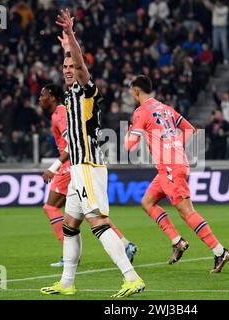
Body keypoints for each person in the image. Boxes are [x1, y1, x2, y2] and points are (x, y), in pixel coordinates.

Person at [40, 9, 144, 298]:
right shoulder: (70, 96)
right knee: (70, 226)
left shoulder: (87, 91)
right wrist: (66, 49)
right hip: (76, 169)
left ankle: (131, 277)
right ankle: (67, 282)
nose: (67, 69)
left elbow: (83, 65)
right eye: (64, 65)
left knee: (97, 223)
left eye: (71, 65)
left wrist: (71, 36)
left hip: (88, 164)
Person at [124, 75, 229, 273]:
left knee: (186, 211)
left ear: (136, 91)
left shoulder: (140, 112)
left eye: (131, 91)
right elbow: (190, 130)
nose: (131, 94)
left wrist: (128, 133)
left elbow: (130, 146)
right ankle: (177, 241)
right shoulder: (165, 108)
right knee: (147, 202)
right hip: (174, 164)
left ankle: (219, 251)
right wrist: (173, 145)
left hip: (170, 167)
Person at [39, 83, 138, 267]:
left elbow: (72, 143)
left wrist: (53, 167)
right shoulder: (61, 112)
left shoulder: (60, 114)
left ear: (52, 97)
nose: (39, 98)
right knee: (91, 212)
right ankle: (125, 244)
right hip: (77, 164)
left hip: (70, 166)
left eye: (43, 94)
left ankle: (67, 255)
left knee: (51, 207)